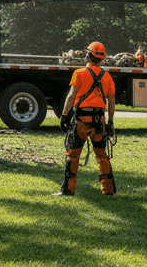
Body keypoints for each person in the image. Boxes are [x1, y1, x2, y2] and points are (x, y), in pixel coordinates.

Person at [57, 41, 116, 196]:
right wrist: (110, 122)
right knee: (102, 155)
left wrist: (64, 115)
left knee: (73, 155)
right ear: (101, 58)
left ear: (88, 56)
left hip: (81, 121)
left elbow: (71, 97)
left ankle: (68, 190)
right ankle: (108, 190)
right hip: (99, 122)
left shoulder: (79, 73)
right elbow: (111, 102)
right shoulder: (107, 77)